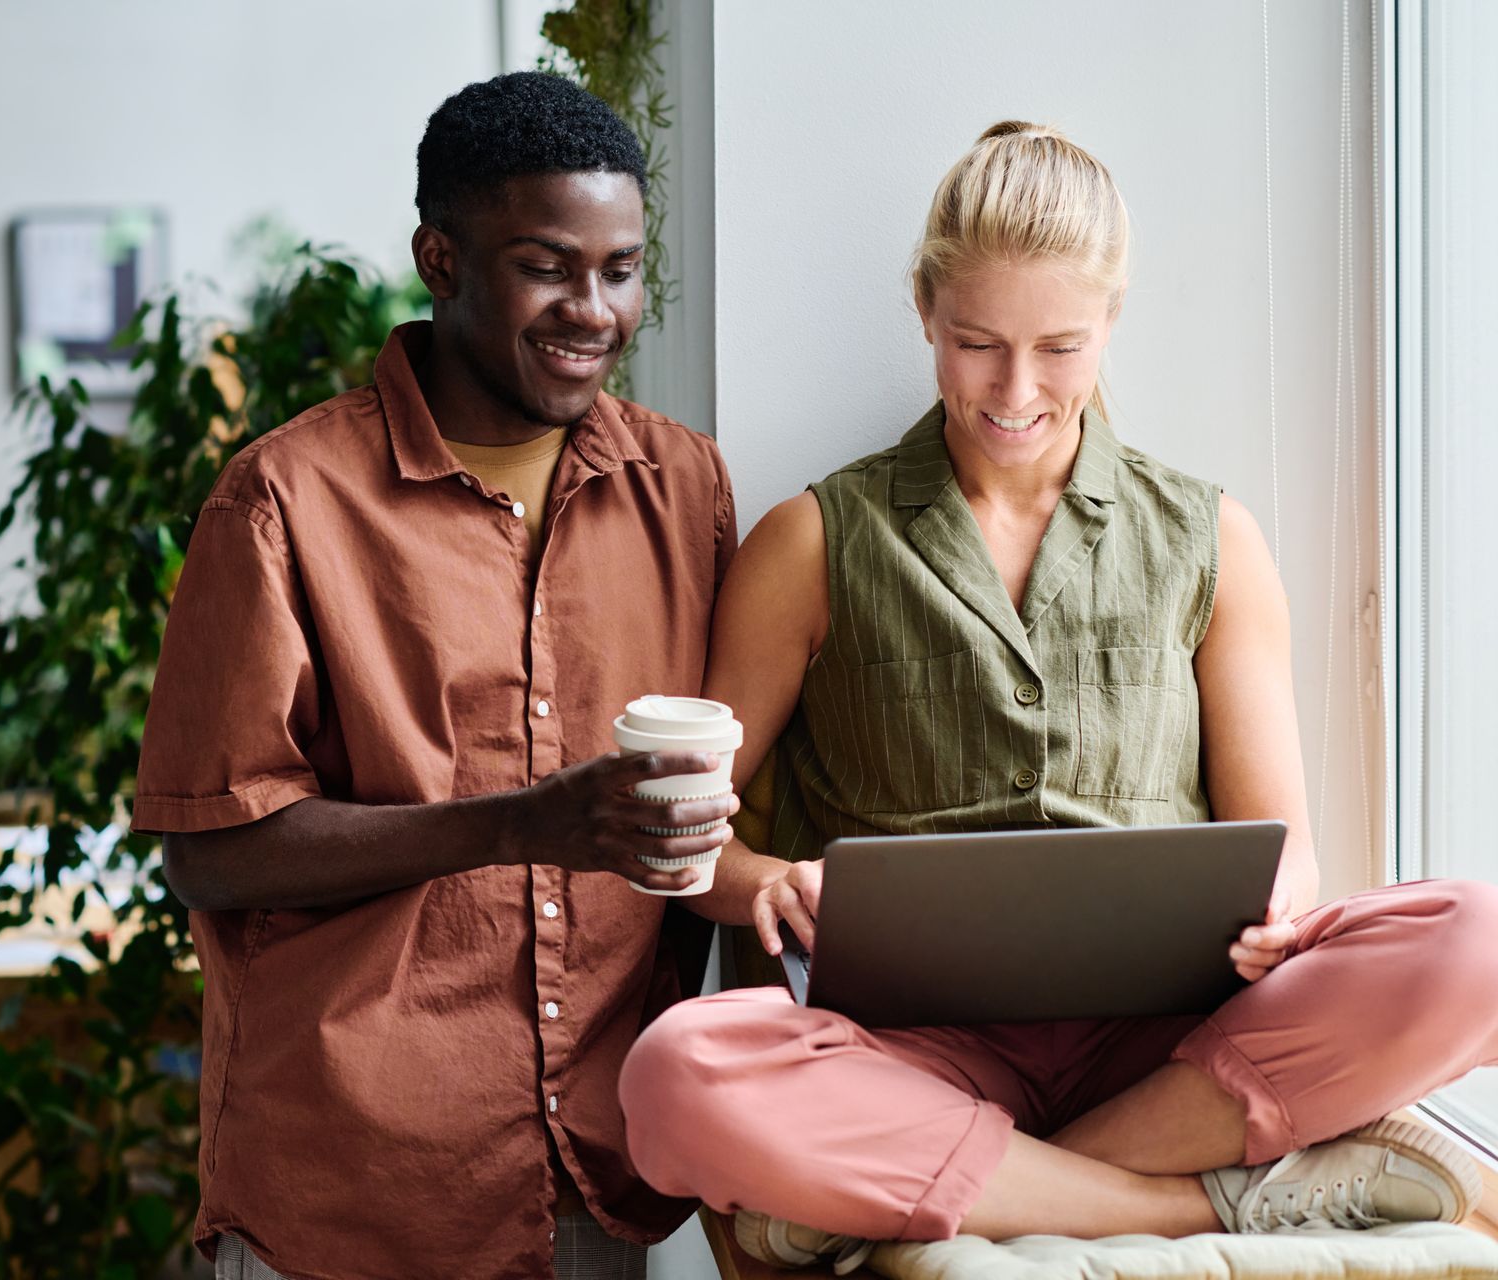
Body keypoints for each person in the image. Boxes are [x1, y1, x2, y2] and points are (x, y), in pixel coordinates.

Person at [616, 121, 1498, 1273]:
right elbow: (690, 843)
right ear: (925, 309)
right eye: (977, 341)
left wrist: (1276, 914)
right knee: (676, 1074)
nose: (1016, 389)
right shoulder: (815, 539)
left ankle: (957, 1182)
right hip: (911, 1052)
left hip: (1168, 1049)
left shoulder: (1209, 537)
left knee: (1476, 937)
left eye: (1060, 345)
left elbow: (1287, 845)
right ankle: (1190, 1203)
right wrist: (769, 881)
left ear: (1112, 322)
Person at [132, 72, 739, 1280]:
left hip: (603, 1168)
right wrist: (524, 823)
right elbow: (210, 846)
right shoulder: (283, 500)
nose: (594, 309)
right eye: (549, 266)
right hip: (353, 1181)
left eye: (621, 269)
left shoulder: (687, 488)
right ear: (441, 258)